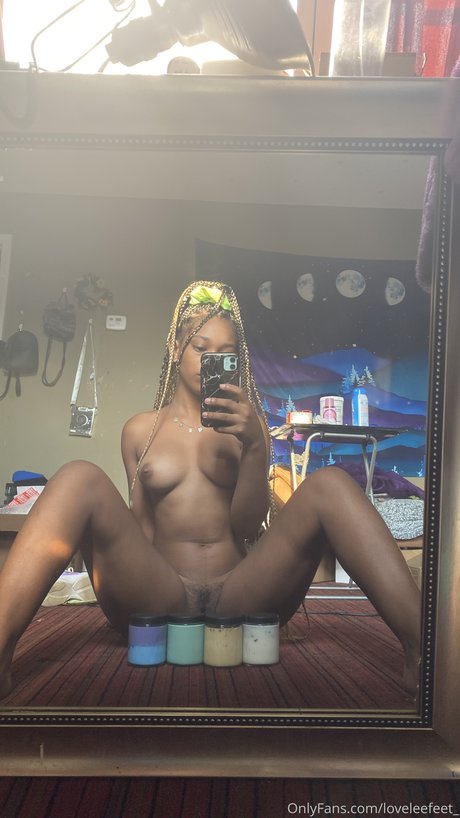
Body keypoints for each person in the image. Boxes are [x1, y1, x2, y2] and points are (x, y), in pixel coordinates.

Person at [0, 280, 421, 699]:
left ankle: (422, 649)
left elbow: (247, 527)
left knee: (330, 483)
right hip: (160, 590)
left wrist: (253, 445)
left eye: (225, 354)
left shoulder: (250, 427)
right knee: (78, 476)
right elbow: (142, 531)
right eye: (200, 349)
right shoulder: (140, 430)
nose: (210, 362)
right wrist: (105, 545)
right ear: (175, 349)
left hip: (238, 590)